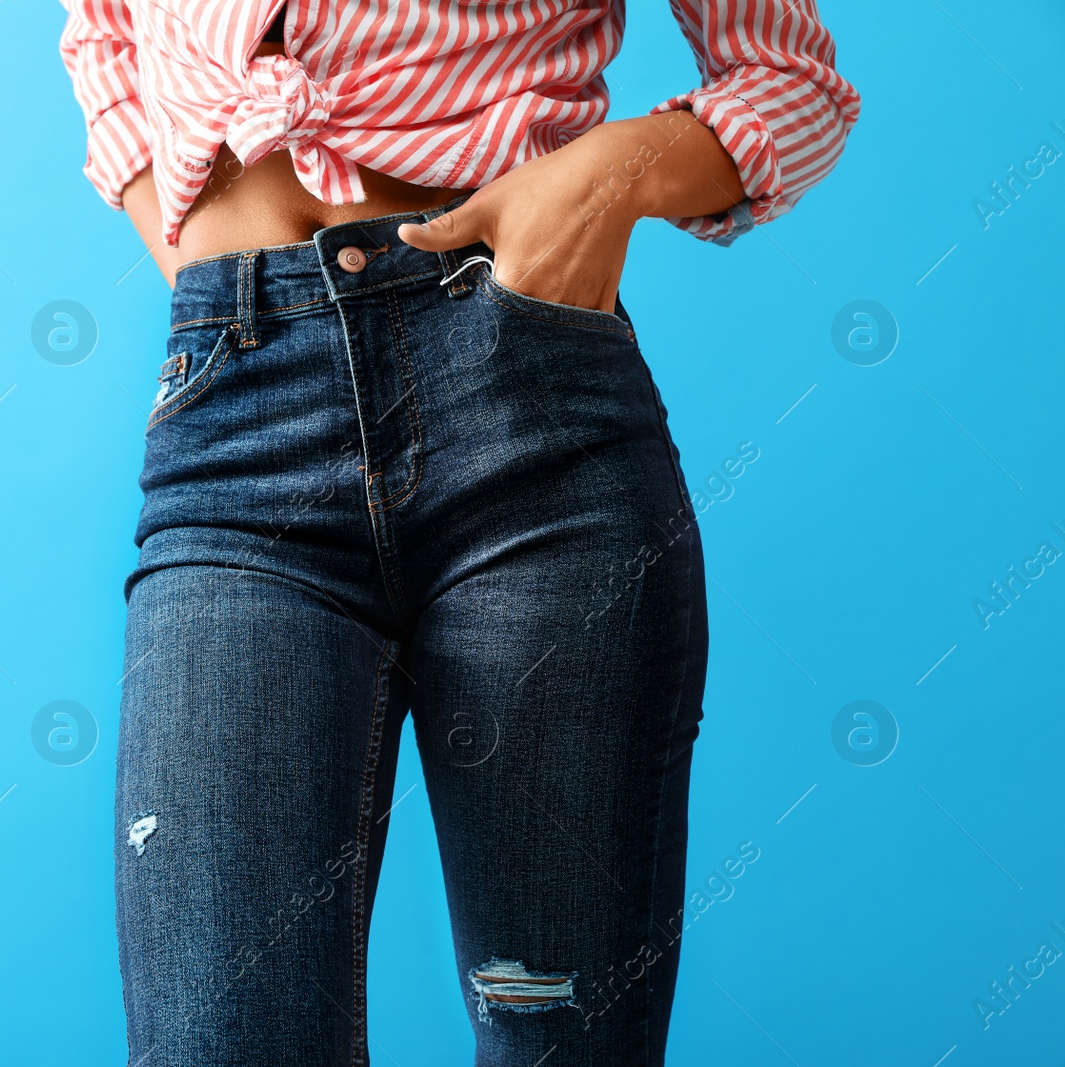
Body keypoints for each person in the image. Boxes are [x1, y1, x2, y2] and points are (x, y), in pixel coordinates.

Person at [59, 3, 857, 1064]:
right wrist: (194, 244)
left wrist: (614, 169)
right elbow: (103, 33)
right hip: (242, 420)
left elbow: (792, 84)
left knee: (560, 1041)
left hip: (527, 405)